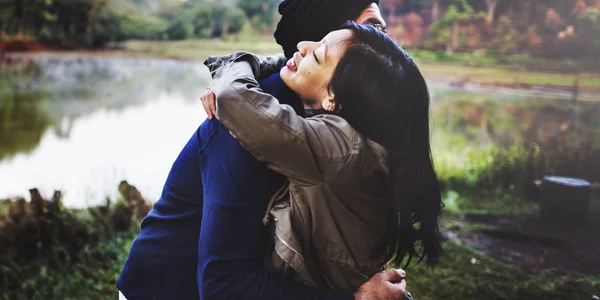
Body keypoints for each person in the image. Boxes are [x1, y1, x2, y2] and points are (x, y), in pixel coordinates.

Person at [117, 1, 410, 299]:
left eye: (378, 29)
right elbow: (225, 285)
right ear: (332, 38)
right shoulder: (253, 118)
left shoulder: (349, 120)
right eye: (367, 29)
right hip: (170, 287)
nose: (381, 43)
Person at [200, 21, 442, 297]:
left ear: (332, 98)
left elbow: (233, 97)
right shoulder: (368, 143)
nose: (303, 47)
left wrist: (234, 64)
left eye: (317, 55)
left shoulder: (336, 147)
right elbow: (281, 66)